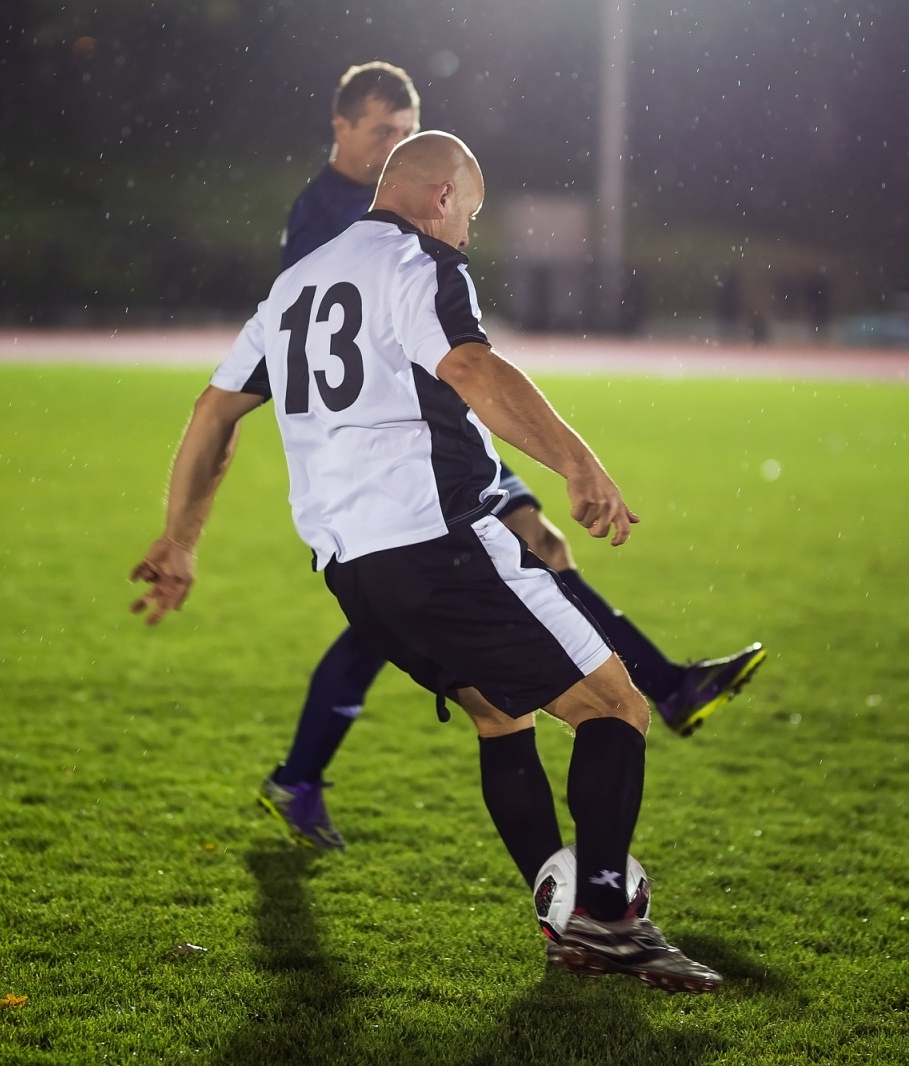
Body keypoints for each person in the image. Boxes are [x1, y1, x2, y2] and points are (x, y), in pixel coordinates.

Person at [132, 132, 721, 991]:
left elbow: (213, 411)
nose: (468, 235)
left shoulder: (295, 284)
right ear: (442, 197)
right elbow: (473, 366)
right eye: (471, 214)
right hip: (439, 541)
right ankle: (603, 919)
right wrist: (578, 463)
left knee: (499, 718)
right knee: (615, 706)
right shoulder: (418, 263)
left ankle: (573, 928)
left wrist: (181, 538)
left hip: (353, 573)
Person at [262, 61, 766, 851]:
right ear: (343, 129)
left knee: (501, 598)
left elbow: (438, 369)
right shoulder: (335, 219)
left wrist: (516, 478)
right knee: (437, 614)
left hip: (415, 464)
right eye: (383, 131)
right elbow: (406, 361)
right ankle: (302, 775)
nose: (396, 144)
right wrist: (563, 465)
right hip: (391, 465)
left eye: (406, 132)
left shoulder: (375, 219)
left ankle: (660, 693)